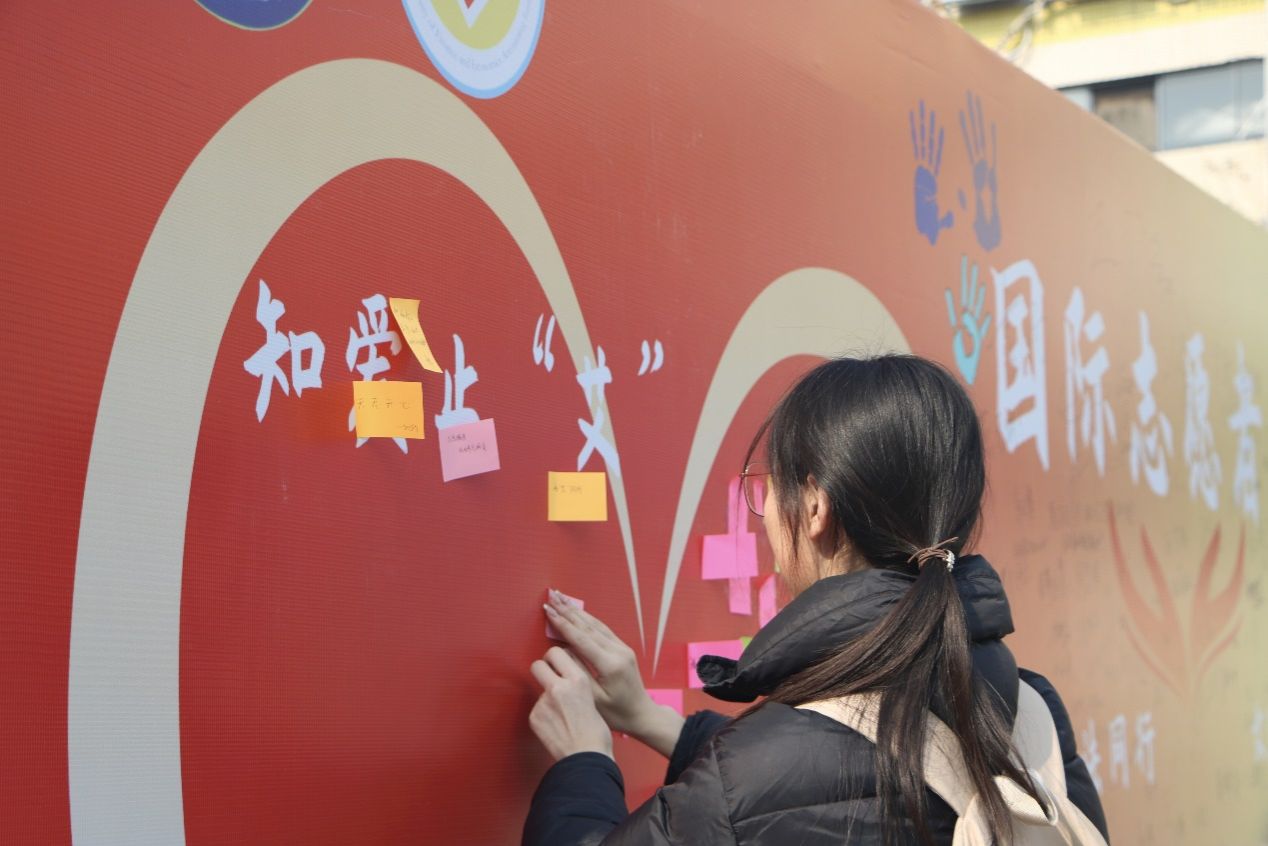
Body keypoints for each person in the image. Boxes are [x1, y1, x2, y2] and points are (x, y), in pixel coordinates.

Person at [523, 355, 1109, 845]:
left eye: (767, 488)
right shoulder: (1031, 716)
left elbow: (793, 786)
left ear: (814, 507)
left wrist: (583, 761)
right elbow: (828, 778)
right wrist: (650, 720)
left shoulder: (753, 776)